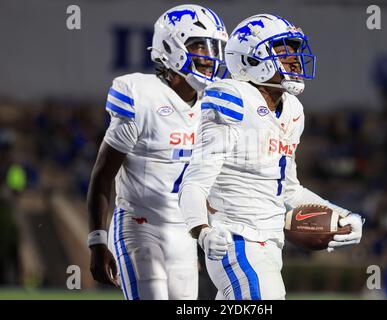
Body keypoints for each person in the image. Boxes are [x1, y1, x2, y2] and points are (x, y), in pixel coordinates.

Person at [179, 14, 364, 300]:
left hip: (270, 246)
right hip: (236, 240)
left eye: (295, 49)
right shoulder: (233, 97)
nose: (295, 58)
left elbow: (288, 189)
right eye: (283, 49)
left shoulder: (292, 110)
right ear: (250, 58)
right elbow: (194, 181)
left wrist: (343, 214)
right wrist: (201, 230)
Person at [86, 4, 228, 300]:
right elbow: (102, 175)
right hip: (140, 225)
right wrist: (98, 241)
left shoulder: (214, 106)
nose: (210, 57)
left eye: (216, 48)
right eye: (200, 45)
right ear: (171, 46)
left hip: (184, 234)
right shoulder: (140, 94)